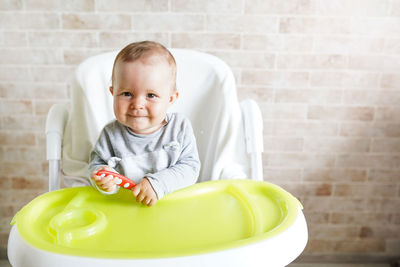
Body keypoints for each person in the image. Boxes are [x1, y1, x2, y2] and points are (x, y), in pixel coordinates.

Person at [88, 41, 200, 207]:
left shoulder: (179, 128)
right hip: (126, 209)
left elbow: (190, 168)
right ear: (113, 93)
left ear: (170, 99)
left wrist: (158, 183)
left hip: (173, 208)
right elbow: (96, 166)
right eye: (126, 94)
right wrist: (104, 181)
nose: (137, 104)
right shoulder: (110, 135)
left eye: (151, 95)